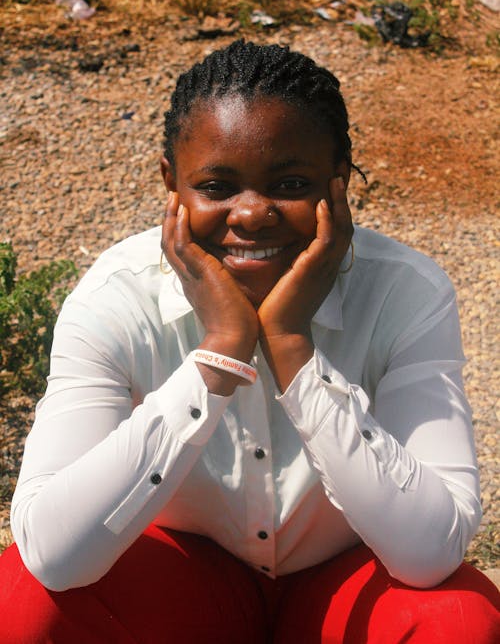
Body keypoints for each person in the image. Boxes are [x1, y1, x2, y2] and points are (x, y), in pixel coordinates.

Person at [0, 39, 498, 643]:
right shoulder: (116, 297)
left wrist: (291, 346)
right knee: (22, 606)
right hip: (182, 582)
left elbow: (429, 554)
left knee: (458, 623)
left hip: (344, 582)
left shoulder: (406, 292)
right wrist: (219, 355)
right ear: (172, 184)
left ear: (338, 183)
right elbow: (50, 554)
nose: (252, 213)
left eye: (290, 182)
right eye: (216, 186)